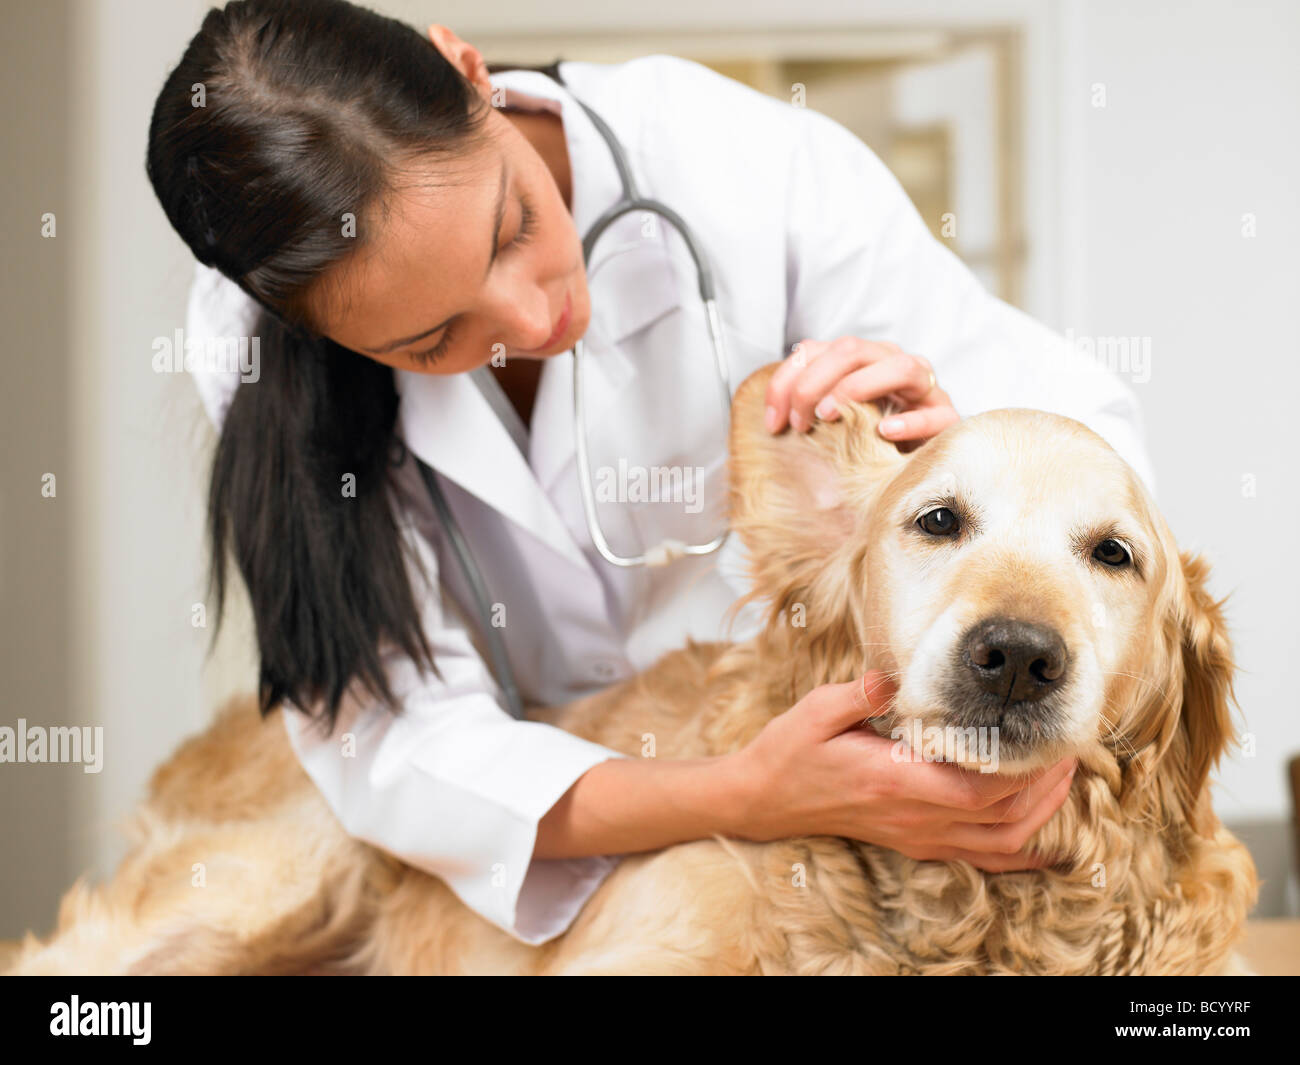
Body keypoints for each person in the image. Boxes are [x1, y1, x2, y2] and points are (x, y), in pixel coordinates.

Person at [153, 0, 1147, 945]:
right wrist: (742, 792)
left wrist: (953, 436)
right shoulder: (266, 365)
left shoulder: (748, 166)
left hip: (838, 787)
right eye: (435, 336)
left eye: (513, 228)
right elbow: (397, 747)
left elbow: (1094, 457)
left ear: (468, 70)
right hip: (573, 828)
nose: (535, 319)